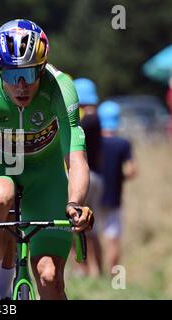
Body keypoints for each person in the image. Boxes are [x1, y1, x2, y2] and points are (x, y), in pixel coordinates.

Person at [0, 19, 94, 300]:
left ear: (42, 68)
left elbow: (76, 157)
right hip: (1, 167)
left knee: (49, 278)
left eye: (30, 74)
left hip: (47, 176)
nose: (21, 85)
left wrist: (76, 204)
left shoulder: (60, 88)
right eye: (12, 75)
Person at [97, 100, 137, 273]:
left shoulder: (94, 142)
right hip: (114, 198)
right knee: (113, 240)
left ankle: (96, 274)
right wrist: (119, 177)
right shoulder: (123, 144)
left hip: (95, 197)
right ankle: (115, 278)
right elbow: (131, 170)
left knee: (92, 237)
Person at [73, 78, 103, 276]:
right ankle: (98, 270)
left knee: (76, 221)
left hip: (86, 176)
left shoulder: (88, 120)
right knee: (93, 227)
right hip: (97, 176)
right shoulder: (97, 119)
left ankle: (83, 269)